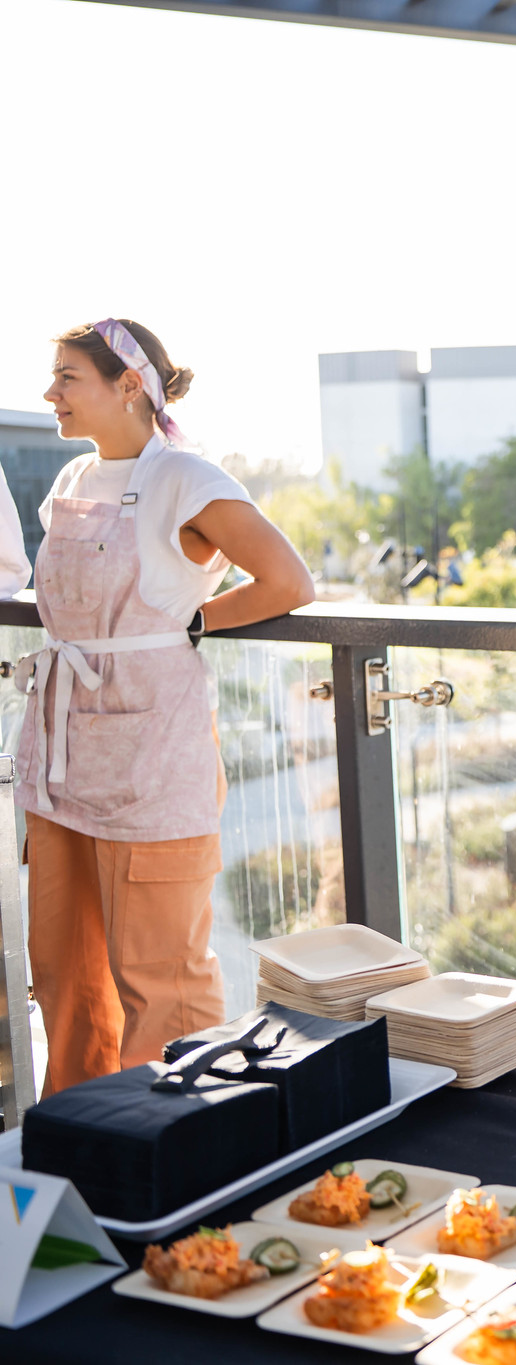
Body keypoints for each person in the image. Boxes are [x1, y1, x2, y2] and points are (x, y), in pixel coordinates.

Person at [29, 319, 315, 1095]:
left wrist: (196, 620)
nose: (49, 393)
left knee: (161, 983)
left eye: (66, 378)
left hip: (153, 757)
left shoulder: (187, 477)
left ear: (129, 385)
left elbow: (288, 582)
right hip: (61, 757)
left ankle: (184, 1148)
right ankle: (84, 1144)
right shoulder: (71, 481)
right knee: (65, 976)